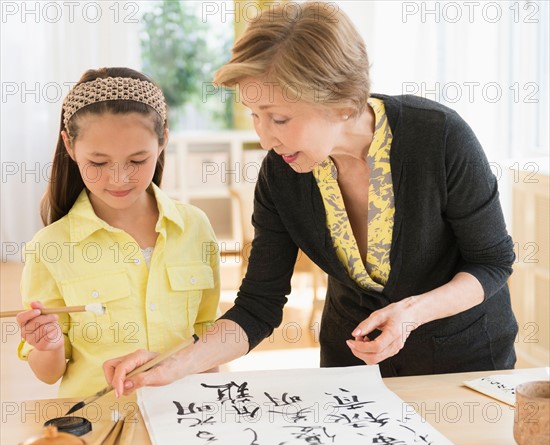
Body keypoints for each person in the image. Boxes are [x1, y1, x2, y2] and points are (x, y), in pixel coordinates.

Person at [104, 2, 518, 398]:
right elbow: (257, 306)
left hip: (461, 367)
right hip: (353, 374)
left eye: (279, 118)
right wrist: (175, 365)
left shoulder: (438, 137)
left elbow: (492, 261)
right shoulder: (282, 174)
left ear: (340, 102)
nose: (264, 137)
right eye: (254, 115)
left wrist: (411, 313)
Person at [16, 67, 220, 397]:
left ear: (163, 140)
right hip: (98, 419)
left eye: (138, 160)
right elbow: (48, 373)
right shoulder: (50, 247)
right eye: (98, 163)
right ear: (70, 146)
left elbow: (207, 335)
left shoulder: (195, 227)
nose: (119, 178)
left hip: (182, 414)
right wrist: (48, 345)